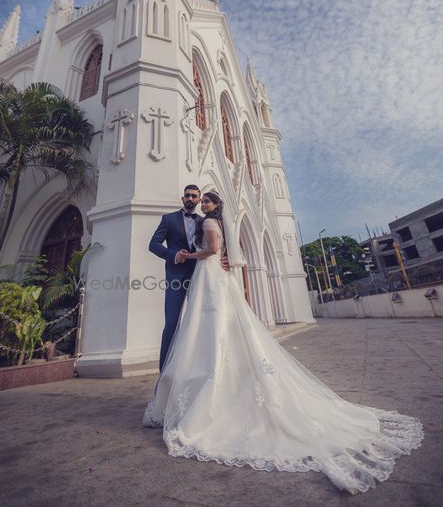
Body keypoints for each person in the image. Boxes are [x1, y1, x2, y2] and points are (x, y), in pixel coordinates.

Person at [143, 192, 424, 495]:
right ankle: (171, 383)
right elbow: (160, 244)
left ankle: (212, 384)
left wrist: (203, 255)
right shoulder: (180, 219)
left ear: (206, 202)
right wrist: (182, 255)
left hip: (207, 275)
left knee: (211, 325)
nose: (196, 200)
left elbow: (213, 248)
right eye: (192, 196)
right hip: (182, 275)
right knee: (181, 327)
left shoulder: (207, 220)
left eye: (201, 198)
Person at [148, 184, 229, 371]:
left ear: (199, 200)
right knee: (172, 322)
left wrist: (227, 259)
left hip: (202, 276)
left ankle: (200, 368)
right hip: (176, 276)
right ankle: (165, 372)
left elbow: (218, 244)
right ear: (182, 198)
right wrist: (174, 255)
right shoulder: (168, 219)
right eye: (187, 196)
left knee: (202, 321)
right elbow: (153, 245)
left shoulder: (206, 220)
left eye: (194, 196)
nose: (190, 198)